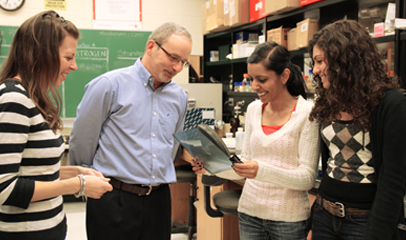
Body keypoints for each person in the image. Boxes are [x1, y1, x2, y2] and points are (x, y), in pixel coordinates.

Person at [69, 22, 192, 240]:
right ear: (151, 46)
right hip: (113, 198)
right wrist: (89, 182)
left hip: (159, 200)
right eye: (173, 58)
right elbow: (82, 141)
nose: (177, 68)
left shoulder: (179, 96)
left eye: (183, 62)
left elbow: (173, 145)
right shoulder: (109, 85)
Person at [0, 10, 113, 240]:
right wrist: (77, 185)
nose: (74, 66)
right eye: (68, 57)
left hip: (49, 228)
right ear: (41, 54)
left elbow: (31, 172)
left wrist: (73, 173)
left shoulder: (32, 98)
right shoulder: (14, 100)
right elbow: (4, 189)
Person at [192, 41, 320, 240]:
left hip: (289, 219)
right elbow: (246, 163)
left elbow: (307, 178)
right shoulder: (253, 109)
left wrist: (261, 170)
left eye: (262, 79)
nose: (254, 86)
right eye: (251, 79)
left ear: (284, 76)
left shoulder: (307, 113)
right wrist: (212, 166)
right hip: (250, 213)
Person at [307, 19, 406, 240]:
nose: (316, 69)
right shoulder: (327, 100)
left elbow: (393, 182)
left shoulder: (391, 104)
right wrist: (315, 222)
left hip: (365, 222)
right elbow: (331, 164)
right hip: (325, 214)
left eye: (321, 61)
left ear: (345, 59)